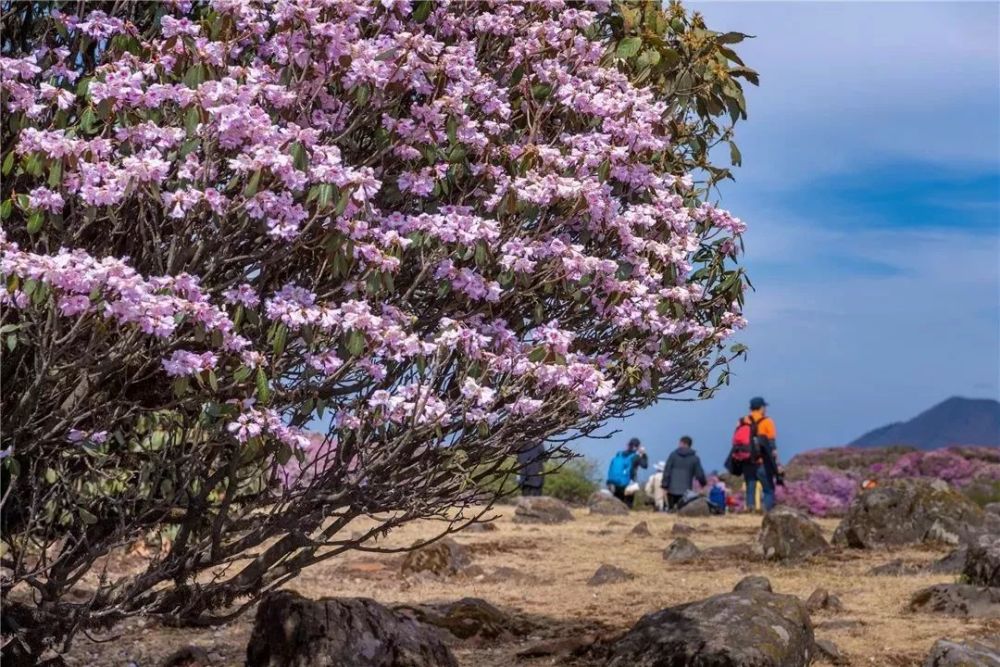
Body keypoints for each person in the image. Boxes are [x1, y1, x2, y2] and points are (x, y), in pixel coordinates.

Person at [740, 397, 781, 512]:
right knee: (768, 489)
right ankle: (766, 512)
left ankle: (750, 510)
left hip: (747, 461)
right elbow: (772, 443)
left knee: (750, 487)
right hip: (763, 461)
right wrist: (776, 462)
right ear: (761, 407)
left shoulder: (742, 421)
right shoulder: (767, 422)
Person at [661, 436, 707, 511]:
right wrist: (703, 484)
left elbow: (667, 471)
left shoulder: (673, 456)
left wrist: (664, 485)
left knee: (671, 511)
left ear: (682, 443)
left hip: (672, 490)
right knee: (683, 511)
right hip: (686, 491)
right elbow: (700, 474)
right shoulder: (695, 458)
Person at [606, 438, 648, 508]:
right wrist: (643, 454)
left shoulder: (619, 454)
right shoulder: (636, 457)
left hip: (616, 481)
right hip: (629, 482)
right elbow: (645, 465)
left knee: (618, 500)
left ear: (628, 445)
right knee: (628, 502)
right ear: (637, 447)